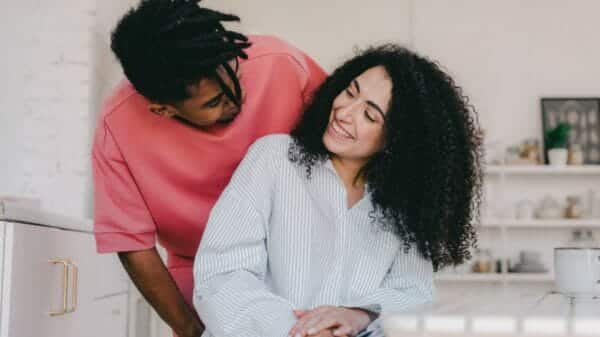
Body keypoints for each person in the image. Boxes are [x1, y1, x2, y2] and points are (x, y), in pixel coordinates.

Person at [193, 44, 483, 337]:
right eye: (350, 92)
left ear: (397, 140)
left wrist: (360, 315)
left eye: (370, 116)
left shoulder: (405, 206)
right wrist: (303, 332)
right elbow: (222, 276)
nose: (344, 112)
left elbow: (414, 295)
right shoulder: (274, 158)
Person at [91, 1, 326, 336]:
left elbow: (349, 145)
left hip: (301, 255)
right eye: (214, 103)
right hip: (200, 267)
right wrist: (189, 329)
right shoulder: (118, 128)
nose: (235, 99)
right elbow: (132, 243)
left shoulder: (281, 63)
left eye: (233, 77)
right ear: (164, 110)